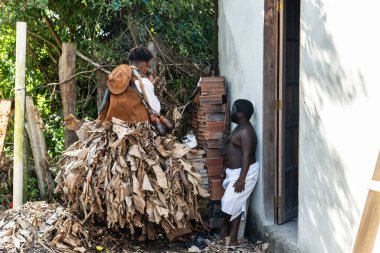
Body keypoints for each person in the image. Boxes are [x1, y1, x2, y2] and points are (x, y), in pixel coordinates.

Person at [219, 99, 259, 246]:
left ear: (240, 114)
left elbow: (247, 156)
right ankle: (233, 238)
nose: (231, 113)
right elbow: (233, 151)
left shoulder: (247, 131)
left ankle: (225, 228)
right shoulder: (238, 127)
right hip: (234, 172)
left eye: (233, 110)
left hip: (245, 173)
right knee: (236, 204)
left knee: (228, 202)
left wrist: (242, 179)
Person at [98, 46, 161, 122]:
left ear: (130, 62)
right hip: (135, 126)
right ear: (144, 63)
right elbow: (156, 109)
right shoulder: (144, 82)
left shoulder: (117, 77)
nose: (148, 66)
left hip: (112, 124)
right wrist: (151, 87)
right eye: (147, 63)